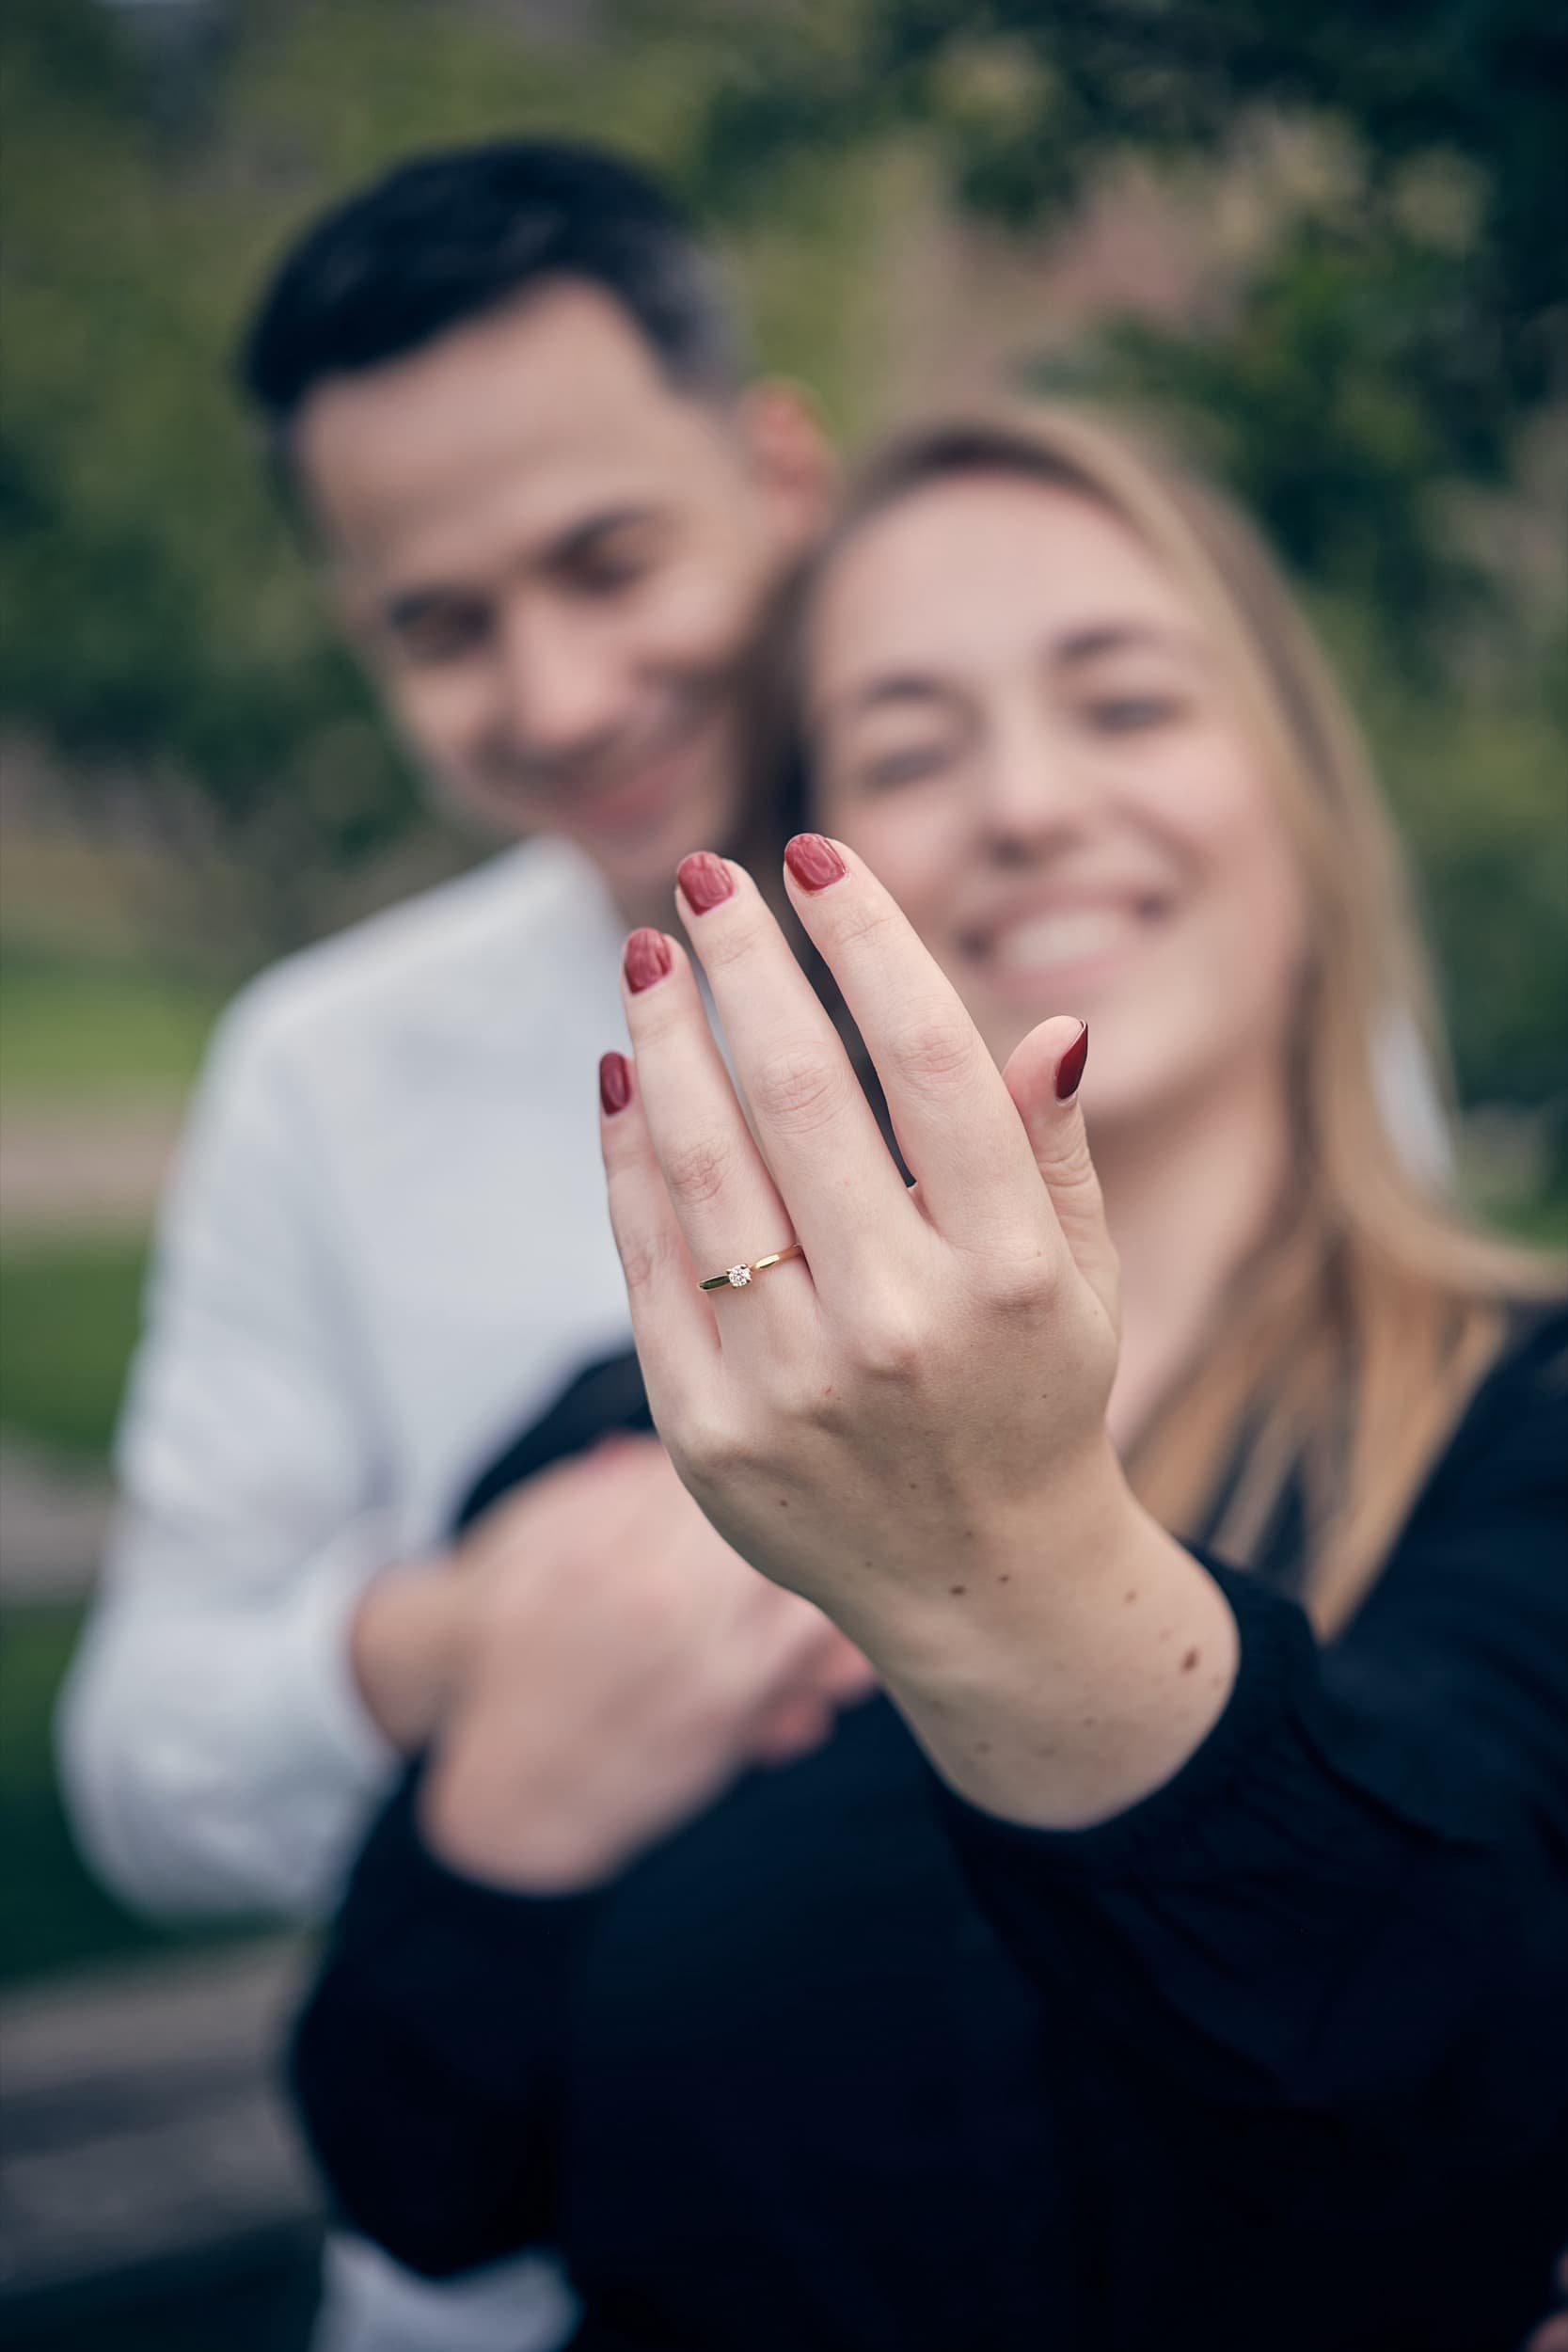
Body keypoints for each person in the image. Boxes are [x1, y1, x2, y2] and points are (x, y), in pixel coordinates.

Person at [288, 407, 1568, 2350]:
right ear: (808, 886)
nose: (1030, 803)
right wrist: (511, 1820)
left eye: (1126, 702)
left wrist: (1019, 1565)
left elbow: (1466, 2096)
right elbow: (415, 2166)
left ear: (1299, 785)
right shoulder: (658, 1434)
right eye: (905, 748)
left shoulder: (1527, 1417)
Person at [55, 138, 839, 2352]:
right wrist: (480, 1639)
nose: (561, 692)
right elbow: (146, 1760)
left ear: (779, 472)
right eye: (444, 626)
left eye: (609, 560)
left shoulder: (1126, 940)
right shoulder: (321, 1064)